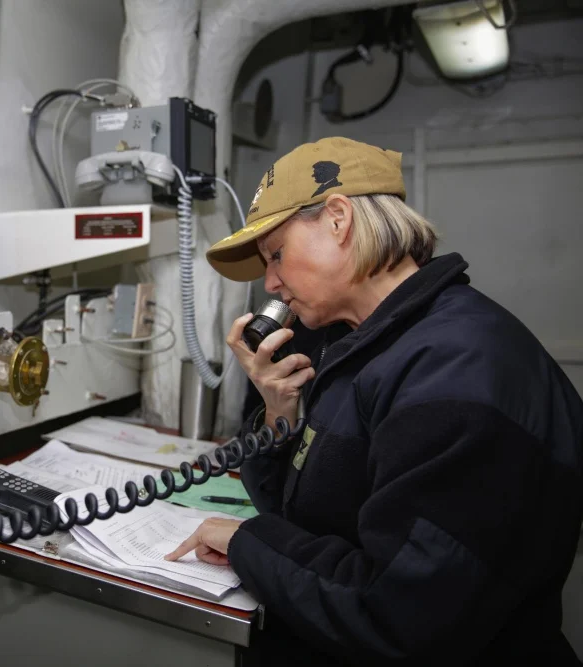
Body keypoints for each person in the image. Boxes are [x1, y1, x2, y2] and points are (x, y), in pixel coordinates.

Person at [165, 136, 583, 665]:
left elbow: (401, 615)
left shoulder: (458, 371)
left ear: (338, 219)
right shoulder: (357, 343)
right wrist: (278, 411)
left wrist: (251, 544)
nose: (270, 282)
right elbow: (298, 513)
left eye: (276, 255)